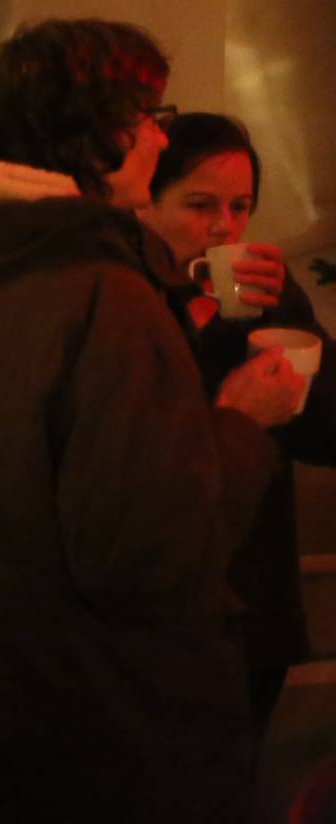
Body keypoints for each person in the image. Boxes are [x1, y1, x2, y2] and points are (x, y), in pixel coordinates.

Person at [0, 19, 305, 822]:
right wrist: (239, 422)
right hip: (94, 732)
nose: (161, 135)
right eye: (149, 115)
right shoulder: (98, 291)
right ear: (103, 136)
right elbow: (150, 555)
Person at [140, 112, 336, 752]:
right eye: (199, 205)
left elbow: (326, 434)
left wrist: (291, 337)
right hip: (154, 608)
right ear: (145, 202)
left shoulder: (270, 299)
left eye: (240, 205)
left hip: (252, 605)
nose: (224, 226)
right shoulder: (120, 303)